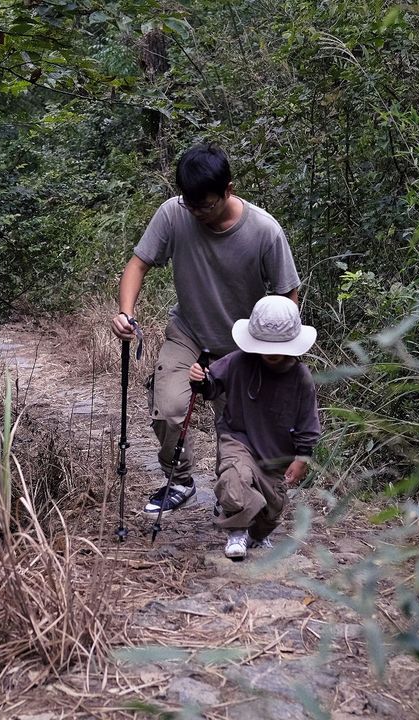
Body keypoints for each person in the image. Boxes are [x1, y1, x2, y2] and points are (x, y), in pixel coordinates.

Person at [111, 143, 301, 517]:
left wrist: (274, 350)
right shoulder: (173, 213)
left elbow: (288, 295)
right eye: (190, 204)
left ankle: (233, 495)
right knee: (167, 409)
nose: (197, 212)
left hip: (244, 344)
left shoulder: (264, 231)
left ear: (228, 189)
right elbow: (138, 265)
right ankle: (179, 480)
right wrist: (125, 313)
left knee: (237, 430)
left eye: (206, 205)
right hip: (189, 332)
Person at [188, 295, 320, 559]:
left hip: (276, 454)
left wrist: (302, 458)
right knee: (234, 478)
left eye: (278, 346)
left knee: (271, 511)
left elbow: (308, 424)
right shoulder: (239, 361)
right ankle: (236, 530)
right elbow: (213, 385)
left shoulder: (300, 377)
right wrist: (200, 380)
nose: (271, 352)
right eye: (265, 345)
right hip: (238, 437)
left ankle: (257, 533)